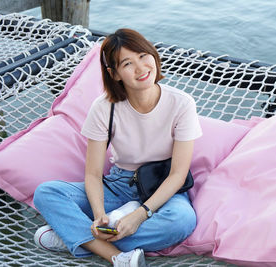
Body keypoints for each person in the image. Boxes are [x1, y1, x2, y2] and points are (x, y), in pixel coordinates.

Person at [33, 28, 202, 267]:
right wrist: (99, 212)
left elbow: (177, 174)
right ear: (114, 74)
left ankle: (75, 239)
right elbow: (92, 174)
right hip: (119, 185)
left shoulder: (181, 104)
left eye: (144, 56)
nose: (141, 68)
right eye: (128, 63)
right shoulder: (104, 107)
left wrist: (139, 214)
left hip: (162, 187)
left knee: (182, 220)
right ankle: (114, 255)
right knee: (46, 193)